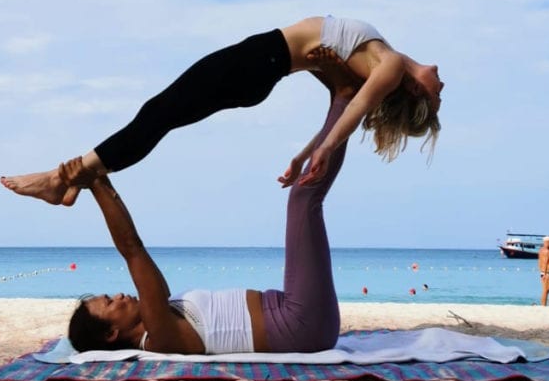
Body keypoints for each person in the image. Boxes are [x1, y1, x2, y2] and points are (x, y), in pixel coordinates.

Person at [1, 15, 443, 206]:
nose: (442, 85)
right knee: (159, 116)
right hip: (262, 69)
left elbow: (358, 106)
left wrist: (324, 149)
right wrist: (301, 154)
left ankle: (60, 179)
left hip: (259, 61)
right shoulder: (372, 59)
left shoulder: (388, 67)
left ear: (417, 95)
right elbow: (341, 98)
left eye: (437, 98)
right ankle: (73, 182)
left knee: (156, 115)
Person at [67, 70, 358, 354]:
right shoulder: (160, 335)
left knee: (303, 198)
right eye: (109, 302)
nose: (118, 295)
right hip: (302, 325)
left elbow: (135, 251)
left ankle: (341, 96)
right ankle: (345, 95)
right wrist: (93, 181)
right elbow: (132, 247)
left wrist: (99, 178)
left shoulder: (162, 311)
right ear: (111, 334)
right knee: (303, 198)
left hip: (293, 312)